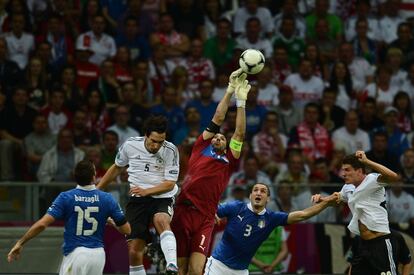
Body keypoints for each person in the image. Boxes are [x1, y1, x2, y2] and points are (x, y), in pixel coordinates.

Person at [171, 68, 250, 275]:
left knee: (197, 270)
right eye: (216, 136)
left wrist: (241, 103)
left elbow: (239, 133)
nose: (218, 137)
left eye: (222, 138)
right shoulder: (200, 146)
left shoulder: (229, 160)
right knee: (180, 269)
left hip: (206, 217)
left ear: (226, 145)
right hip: (183, 211)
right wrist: (230, 90)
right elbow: (218, 116)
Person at [7, 160, 131, 275]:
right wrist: (111, 222)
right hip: (98, 255)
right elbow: (127, 230)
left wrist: (20, 242)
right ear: (94, 176)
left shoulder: (66, 197)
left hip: (76, 254)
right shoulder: (107, 198)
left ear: (75, 177)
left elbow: (42, 224)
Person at [97, 115, 180, 275]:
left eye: (160, 142)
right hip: (138, 200)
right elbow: (117, 167)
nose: (156, 145)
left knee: (161, 220)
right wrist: (97, 189)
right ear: (146, 135)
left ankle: (171, 265)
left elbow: (170, 183)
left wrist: (146, 191)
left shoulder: (171, 150)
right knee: (134, 252)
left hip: (162, 197)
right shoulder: (130, 145)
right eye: (153, 141)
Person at [204, 182, 338, 274]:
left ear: (267, 199)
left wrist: (325, 204)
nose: (259, 193)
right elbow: (209, 210)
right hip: (218, 265)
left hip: (241, 271)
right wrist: (212, 214)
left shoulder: (272, 218)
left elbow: (303, 215)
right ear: (250, 196)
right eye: (255, 190)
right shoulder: (236, 207)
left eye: (263, 191)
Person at [313, 151, 401, 274]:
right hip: (362, 243)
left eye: (347, 170)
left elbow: (393, 177)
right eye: (343, 170)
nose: (343, 174)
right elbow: (338, 198)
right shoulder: (348, 187)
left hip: (380, 243)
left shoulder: (372, 180)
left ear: (359, 171)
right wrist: (323, 199)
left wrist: (366, 161)